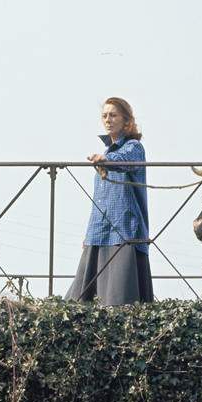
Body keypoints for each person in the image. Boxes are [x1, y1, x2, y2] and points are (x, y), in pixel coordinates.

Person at [65, 97, 154, 304]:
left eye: (113, 115)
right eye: (104, 116)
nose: (108, 120)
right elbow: (99, 200)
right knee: (80, 298)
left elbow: (125, 162)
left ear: (126, 121)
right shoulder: (106, 152)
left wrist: (106, 161)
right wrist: (88, 235)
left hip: (124, 230)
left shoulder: (134, 147)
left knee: (120, 297)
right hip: (99, 231)